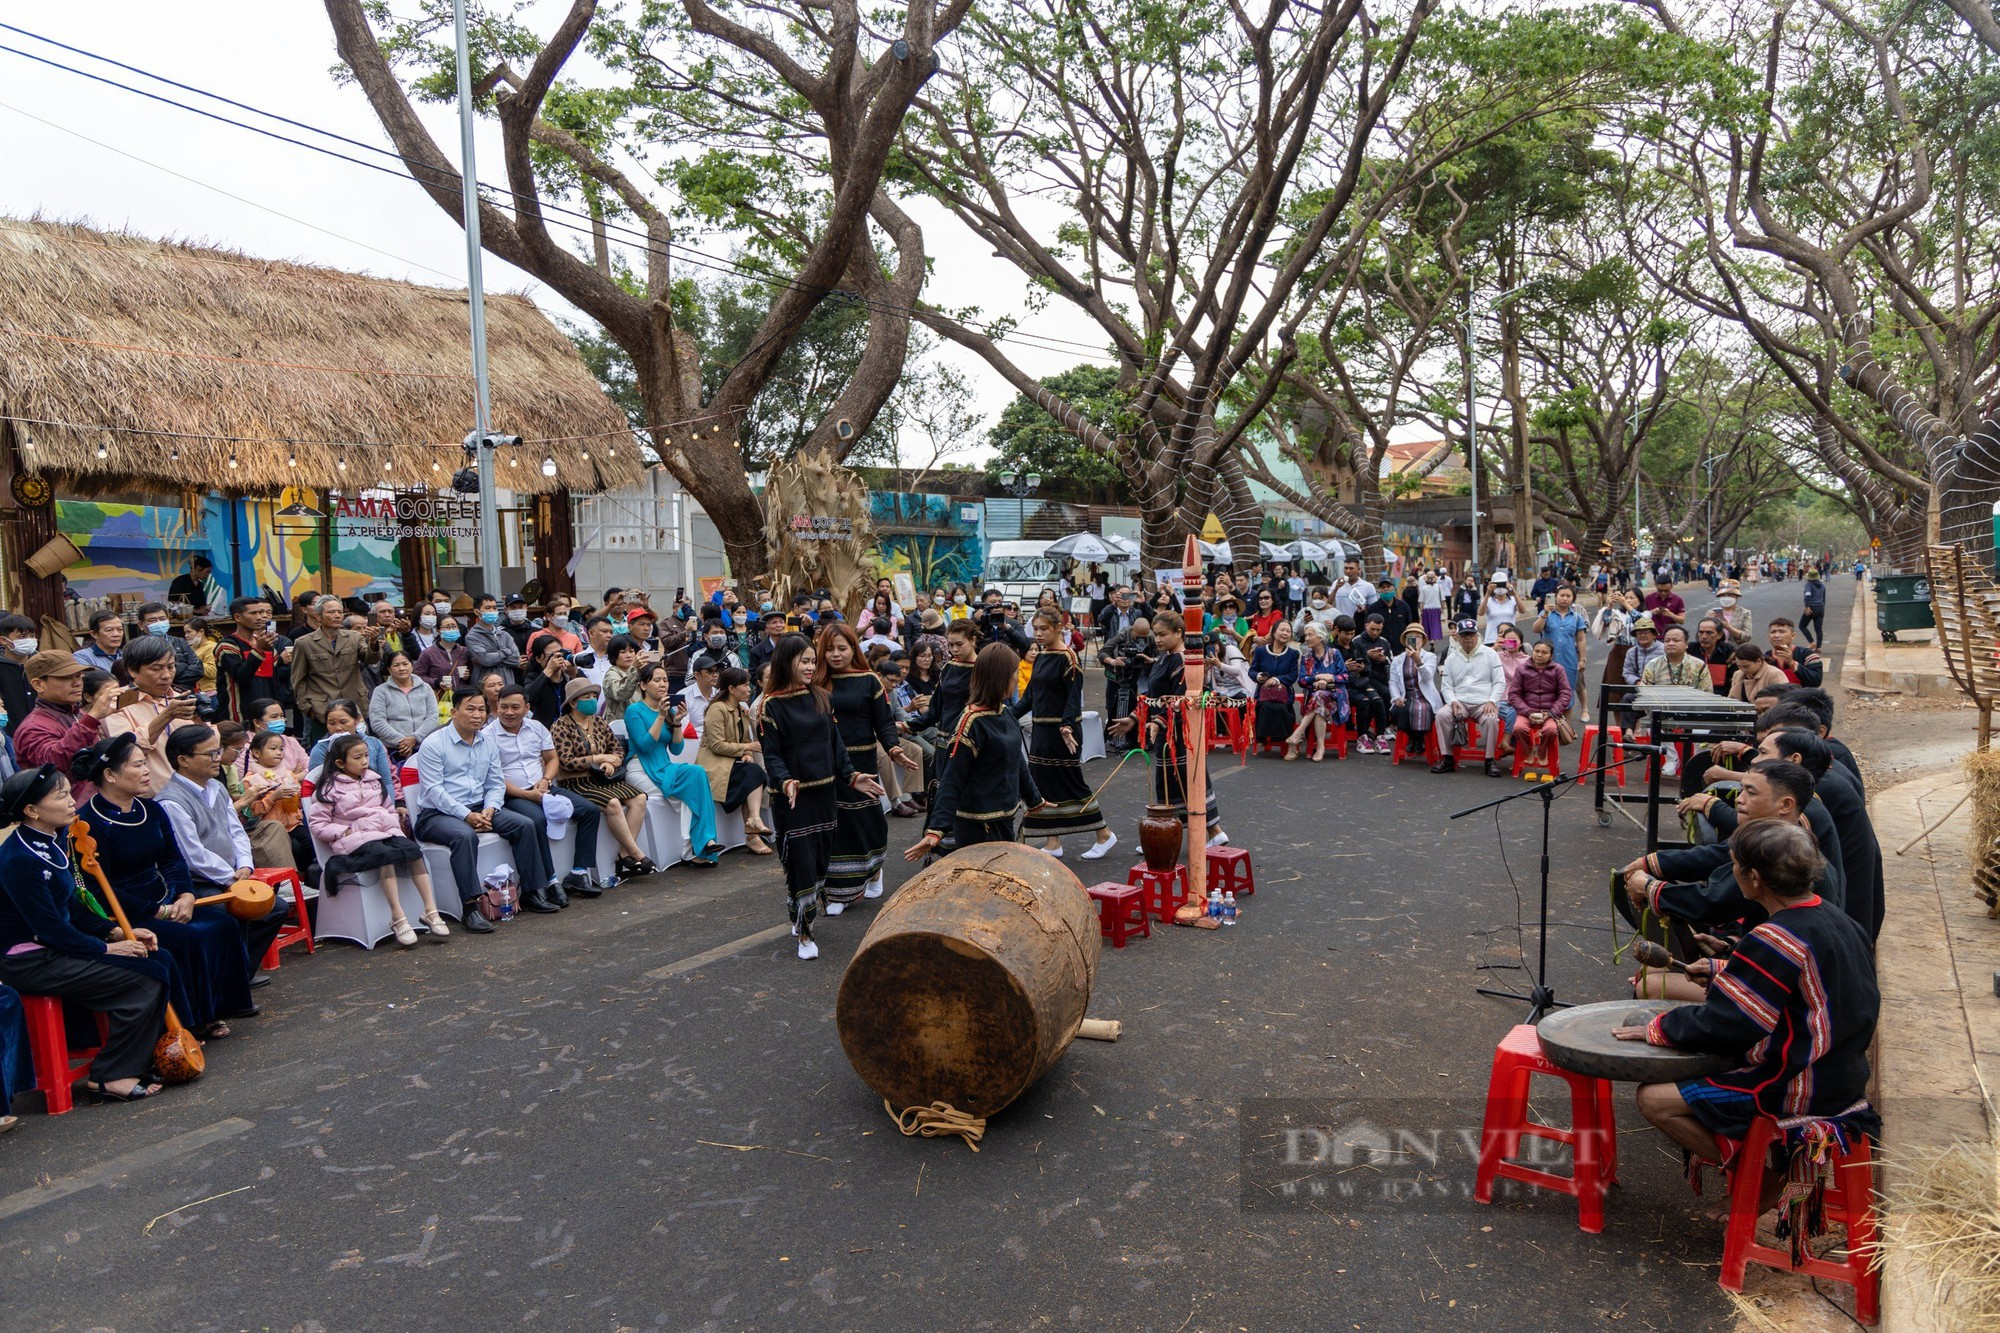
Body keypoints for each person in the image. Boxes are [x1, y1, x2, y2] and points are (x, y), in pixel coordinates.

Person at [1615, 819, 1878, 1205]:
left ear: (1754, 878)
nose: (1730, 873)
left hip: (1801, 1084)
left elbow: (1728, 1024)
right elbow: (1802, 987)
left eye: (1734, 866)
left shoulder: (1776, 937)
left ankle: (1759, 1177)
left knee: (1654, 1099)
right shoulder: (1839, 920)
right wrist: (1726, 967)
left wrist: (1659, 1027)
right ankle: (1757, 1167)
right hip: (1844, 1072)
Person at [0, 765, 173, 1102]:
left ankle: (136, 1059)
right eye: (60, 795)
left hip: (54, 947)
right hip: (29, 960)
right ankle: (109, 1075)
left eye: (68, 792)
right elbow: (48, 928)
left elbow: (72, 907)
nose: (70, 802)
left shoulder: (50, 842)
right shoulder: (18, 859)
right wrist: (106, 950)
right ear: (31, 810)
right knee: (144, 979)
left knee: (157, 958)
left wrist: (115, 933)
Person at [74, 733, 254, 1039]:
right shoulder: (90, 822)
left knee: (221, 924)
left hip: (166, 896)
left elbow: (173, 859)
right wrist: (158, 911)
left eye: (145, 764)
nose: (147, 771)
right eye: (138, 765)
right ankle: (190, 1021)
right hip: (128, 909)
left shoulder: (151, 810)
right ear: (110, 775)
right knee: (186, 937)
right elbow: (97, 887)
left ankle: (220, 1007)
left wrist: (184, 894)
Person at [760, 635, 886, 961]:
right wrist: (785, 781)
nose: (810, 667)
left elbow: (836, 745)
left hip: (825, 797)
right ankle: (805, 931)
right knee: (800, 862)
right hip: (792, 800)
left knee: (818, 865)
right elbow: (772, 755)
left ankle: (798, 909)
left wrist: (853, 776)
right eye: (804, 661)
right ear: (786, 662)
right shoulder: (769, 705)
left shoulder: (822, 697)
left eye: (812, 661)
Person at [413, 692, 554, 932]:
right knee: (464, 836)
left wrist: (491, 808)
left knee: (524, 824)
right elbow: (434, 791)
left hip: (480, 807)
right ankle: (470, 908)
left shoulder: (486, 741)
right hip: (437, 815)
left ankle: (532, 891)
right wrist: (466, 816)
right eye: (470, 709)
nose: (477, 715)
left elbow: (496, 782)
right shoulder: (434, 744)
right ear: (454, 712)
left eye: (481, 709)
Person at [909, 643, 1046, 861]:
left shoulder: (1004, 713)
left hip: (1003, 817)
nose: (1015, 679)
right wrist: (936, 829)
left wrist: (1034, 798)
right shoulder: (971, 722)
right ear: (1000, 678)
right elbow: (952, 778)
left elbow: (1016, 760)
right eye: (1014, 673)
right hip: (978, 824)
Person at [309, 733, 446, 947]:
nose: (364, 761)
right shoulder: (329, 788)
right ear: (340, 763)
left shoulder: (374, 780)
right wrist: (344, 831)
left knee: (414, 851)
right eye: (357, 757)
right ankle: (398, 917)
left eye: (365, 756)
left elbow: (388, 808)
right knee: (385, 856)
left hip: (385, 833)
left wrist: (390, 821)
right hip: (354, 839)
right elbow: (318, 825)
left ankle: (430, 910)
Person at [815, 622, 913, 906]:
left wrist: (894, 749)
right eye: (830, 649)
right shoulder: (817, 681)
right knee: (835, 825)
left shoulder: (870, 680)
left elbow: (883, 722)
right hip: (828, 764)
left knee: (865, 822)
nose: (836, 654)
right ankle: (839, 891)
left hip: (863, 762)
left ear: (853, 649)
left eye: (842, 648)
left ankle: (873, 871)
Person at [1013, 611, 1115, 858]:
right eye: (1035, 628)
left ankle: (1104, 834)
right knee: (1042, 784)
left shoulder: (1068, 658)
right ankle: (1053, 842)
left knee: (1071, 783)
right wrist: (1007, 715)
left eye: (1044, 629)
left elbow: (1072, 698)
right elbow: (1030, 697)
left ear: (1058, 628)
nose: (1038, 634)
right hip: (1041, 731)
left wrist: (1067, 726)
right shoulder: (1041, 656)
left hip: (1062, 734)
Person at [485, 686, 600, 903]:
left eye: (515, 707)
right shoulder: (487, 736)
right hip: (512, 795)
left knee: (589, 811)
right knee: (537, 820)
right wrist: (528, 795)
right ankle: (550, 880)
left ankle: (578, 872)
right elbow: (494, 779)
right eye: (504, 707)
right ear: (496, 707)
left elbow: (552, 759)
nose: (509, 712)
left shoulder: (536, 727)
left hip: (543, 787)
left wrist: (546, 780)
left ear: (527, 708)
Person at [550, 678, 656, 878]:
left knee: (639, 798)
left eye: (593, 696)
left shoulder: (598, 721)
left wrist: (612, 762)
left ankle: (625, 853)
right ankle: (636, 852)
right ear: (573, 702)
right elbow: (565, 761)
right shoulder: (561, 726)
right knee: (613, 803)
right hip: (576, 782)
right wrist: (597, 758)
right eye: (586, 697)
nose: (591, 700)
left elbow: (616, 748)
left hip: (603, 779)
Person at [624, 665, 723, 868]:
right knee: (692, 785)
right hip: (641, 768)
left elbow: (676, 749)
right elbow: (644, 746)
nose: (662, 684)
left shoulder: (669, 710)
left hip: (665, 766)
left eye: (665, 680)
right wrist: (661, 717)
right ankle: (698, 846)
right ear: (642, 685)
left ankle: (701, 844)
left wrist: (677, 722)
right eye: (656, 680)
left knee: (697, 774)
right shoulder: (634, 710)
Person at [102, 634, 202, 794]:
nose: (166, 675)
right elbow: (125, 751)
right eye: (156, 669)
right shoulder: (116, 705)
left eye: (171, 666)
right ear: (132, 671)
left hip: (193, 792)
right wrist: (167, 716)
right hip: (151, 798)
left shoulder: (180, 698)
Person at [16, 651, 114, 806]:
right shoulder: (33, 726)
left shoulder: (77, 713)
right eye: (66, 678)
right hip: (64, 817)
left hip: (95, 805)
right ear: (38, 684)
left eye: (78, 676)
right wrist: (91, 719)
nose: (77, 683)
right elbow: (53, 762)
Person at [698, 667, 773, 855]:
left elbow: (744, 741)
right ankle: (753, 830)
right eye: (745, 685)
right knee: (754, 773)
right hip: (715, 767)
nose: (749, 689)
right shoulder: (717, 709)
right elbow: (716, 746)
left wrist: (746, 754)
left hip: (733, 764)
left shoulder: (742, 710)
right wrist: (747, 749)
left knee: (754, 771)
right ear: (731, 688)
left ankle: (753, 824)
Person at [290, 595, 381, 745]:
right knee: (324, 753)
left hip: (354, 705)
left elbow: (371, 658)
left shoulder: (354, 637)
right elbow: (298, 680)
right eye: (331, 612)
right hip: (322, 710)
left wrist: (373, 642)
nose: (337, 616)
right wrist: (308, 708)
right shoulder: (304, 643)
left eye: (340, 612)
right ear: (319, 616)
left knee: (359, 749)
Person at [1436, 618, 1507, 777]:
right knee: (1441, 715)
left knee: (1491, 719)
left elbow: (1499, 682)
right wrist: (1452, 701)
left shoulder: (1490, 654)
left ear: (1477, 635)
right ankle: (1447, 757)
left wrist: (1492, 701)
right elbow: (1446, 686)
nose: (1468, 638)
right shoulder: (1452, 658)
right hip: (1460, 702)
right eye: (1464, 635)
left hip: (1483, 703)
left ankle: (1489, 760)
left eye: (1471, 634)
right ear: (1458, 637)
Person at [305, 698, 397, 797]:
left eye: (343, 722)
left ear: (356, 721)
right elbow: (318, 787)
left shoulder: (374, 744)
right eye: (331, 723)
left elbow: (386, 782)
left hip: (376, 803)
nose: (338, 728)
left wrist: (389, 808)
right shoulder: (321, 749)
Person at [1508, 641, 1573, 780]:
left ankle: (1542, 752)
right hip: (1527, 711)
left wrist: (1552, 713)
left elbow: (1565, 693)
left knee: (1550, 730)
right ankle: (1529, 751)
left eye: (1544, 652)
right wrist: (1528, 712)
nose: (1539, 655)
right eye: (1537, 651)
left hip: (1549, 712)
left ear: (1550, 655)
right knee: (1519, 728)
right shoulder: (1522, 669)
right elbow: (1513, 694)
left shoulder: (1558, 669)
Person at [1288, 622, 1349, 762]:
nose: (1307, 638)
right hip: (1316, 697)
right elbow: (1301, 681)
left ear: (1320, 637)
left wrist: (1329, 679)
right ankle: (1320, 747)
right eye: (1306, 635)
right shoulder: (1307, 657)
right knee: (1320, 702)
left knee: (1319, 696)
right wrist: (1316, 678)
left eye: (1310, 635)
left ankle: (1299, 731)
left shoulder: (1334, 653)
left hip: (1336, 694)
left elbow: (1345, 677)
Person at [369, 650, 441, 763]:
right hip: (393, 749)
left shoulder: (425, 688)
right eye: (396, 665)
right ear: (389, 669)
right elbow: (377, 721)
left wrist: (415, 738)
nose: (401, 668)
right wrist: (402, 742)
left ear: (412, 666)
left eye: (405, 664)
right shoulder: (381, 691)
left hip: (424, 746)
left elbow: (433, 717)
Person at [1533, 583, 1588, 723]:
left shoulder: (1576, 617)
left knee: (1567, 692)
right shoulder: (1546, 613)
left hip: (1569, 660)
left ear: (1573, 598)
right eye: (1561, 595)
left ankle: (1565, 726)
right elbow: (1536, 629)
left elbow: (1581, 639)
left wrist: (1582, 659)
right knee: (1545, 691)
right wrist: (1545, 614)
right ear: (1555, 597)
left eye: (1568, 596)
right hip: (1546, 660)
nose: (1564, 598)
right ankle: (1546, 724)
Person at [1387, 623, 1442, 758]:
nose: (1414, 639)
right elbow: (1393, 681)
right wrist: (1395, 697)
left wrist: (1418, 661)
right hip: (1407, 695)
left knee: (1422, 709)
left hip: (1424, 695)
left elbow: (1428, 676)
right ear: (1405, 640)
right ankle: (1413, 737)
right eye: (1410, 637)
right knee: (1396, 710)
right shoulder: (1398, 659)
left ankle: (1419, 738)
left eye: (1417, 637)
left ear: (1423, 640)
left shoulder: (1430, 656)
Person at [1250, 621, 1302, 750]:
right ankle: (1263, 736)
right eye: (1282, 630)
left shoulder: (1292, 654)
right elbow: (1252, 671)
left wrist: (1277, 679)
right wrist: (1259, 676)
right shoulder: (1261, 651)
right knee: (1266, 706)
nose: (1285, 633)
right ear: (1274, 632)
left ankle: (1280, 738)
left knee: (1281, 708)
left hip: (1283, 695)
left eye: (1288, 631)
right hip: (1263, 695)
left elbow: (1293, 675)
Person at [135, 602, 205, 693]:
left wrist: (170, 683)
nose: (159, 623)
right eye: (152, 620)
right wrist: (183, 666)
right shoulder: (138, 648)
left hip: (184, 697)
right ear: (141, 625)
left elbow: (198, 670)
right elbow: (145, 678)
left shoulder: (180, 643)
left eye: (162, 619)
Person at [462, 595, 520, 689]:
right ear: (477, 612)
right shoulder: (472, 636)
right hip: (485, 687)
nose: (492, 611)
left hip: (507, 685)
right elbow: (485, 659)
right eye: (488, 608)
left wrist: (491, 657)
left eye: (494, 608)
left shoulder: (504, 634)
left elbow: (516, 659)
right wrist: (505, 651)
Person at [1765, 619, 1823, 688]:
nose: (1776, 635)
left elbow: (1816, 682)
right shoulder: (1764, 658)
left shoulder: (1808, 655)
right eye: (1773, 632)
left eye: (1782, 632)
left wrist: (1792, 663)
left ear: (1793, 635)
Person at [599, 636, 644, 723]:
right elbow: (621, 694)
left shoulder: (640, 671)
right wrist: (634, 669)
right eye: (623, 652)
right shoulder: (611, 675)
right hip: (621, 724)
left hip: (642, 720)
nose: (628, 655)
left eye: (631, 651)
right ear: (614, 655)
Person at [1726, 643, 1790, 702]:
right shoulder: (1737, 674)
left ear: (1758, 661)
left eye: (1746, 667)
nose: (1743, 670)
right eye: (1739, 666)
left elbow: (1783, 699)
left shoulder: (1775, 674)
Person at [73, 609, 125, 674]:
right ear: (94, 634)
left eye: (119, 629)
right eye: (109, 630)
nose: (116, 634)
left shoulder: (126, 656)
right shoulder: (82, 657)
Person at [1480, 574, 1519, 645]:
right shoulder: (1488, 601)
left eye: (1502, 584)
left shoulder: (1513, 600)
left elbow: (1522, 610)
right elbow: (1480, 613)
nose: (1500, 587)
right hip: (1491, 639)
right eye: (1497, 584)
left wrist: (1513, 592)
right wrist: (1487, 593)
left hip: (1509, 638)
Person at [1416, 568, 1446, 644]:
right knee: (1435, 624)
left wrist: (1421, 610)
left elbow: (1421, 601)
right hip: (1437, 608)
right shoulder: (1439, 587)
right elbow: (1443, 599)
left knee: (1427, 625)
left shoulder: (1424, 588)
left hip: (1426, 609)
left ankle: (1429, 638)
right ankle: (1433, 639)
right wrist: (1443, 608)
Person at [1800, 568, 1827, 648]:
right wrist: (1822, 608)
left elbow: (1807, 595)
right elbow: (1824, 598)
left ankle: (1811, 642)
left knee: (1802, 626)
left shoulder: (1808, 584)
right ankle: (1818, 647)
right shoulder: (1822, 585)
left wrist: (1807, 606)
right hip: (1820, 607)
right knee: (1818, 629)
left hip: (1811, 607)